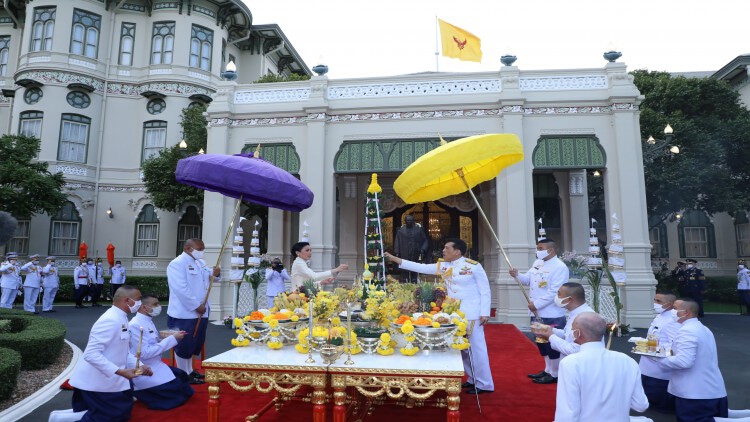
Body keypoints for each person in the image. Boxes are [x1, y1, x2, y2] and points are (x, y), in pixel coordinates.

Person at [384, 238, 494, 394]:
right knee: (460, 348)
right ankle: (472, 378)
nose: (443, 250)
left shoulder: (473, 266)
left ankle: (484, 383)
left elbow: (485, 290)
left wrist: (485, 312)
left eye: (447, 248)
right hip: (453, 313)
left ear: (457, 251)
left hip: (471, 313)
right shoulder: (443, 265)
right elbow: (420, 267)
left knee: (477, 348)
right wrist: (396, 259)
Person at [57, 285, 154, 422]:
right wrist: (120, 372)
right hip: (98, 381)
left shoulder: (122, 317)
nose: (140, 303)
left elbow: (123, 350)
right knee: (107, 417)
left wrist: (141, 365)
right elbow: (91, 354)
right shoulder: (110, 320)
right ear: (127, 300)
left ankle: (59, 418)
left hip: (111, 380)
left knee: (119, 414)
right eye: (138, 299)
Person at [554, 312, 649, 422]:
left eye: (572, 329)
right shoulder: (628, 361)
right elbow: (641, 405)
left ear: (577, 333)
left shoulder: (570, 363)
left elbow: (567, 413)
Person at [648, 298, 728, 422]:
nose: (672, 311)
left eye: (675, 308)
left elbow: (684, 361)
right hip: (708, 389)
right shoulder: (702, 328)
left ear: (687, 313)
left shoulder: (687, 331)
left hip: (695, 393)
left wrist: (657, 359)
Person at [509, 238, 568, 384]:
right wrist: (517, 275)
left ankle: (555, 373)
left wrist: (537, 304)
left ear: (551, 250)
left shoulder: (560, 267)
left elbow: (555, 291)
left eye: (540, 248)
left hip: (551, 313)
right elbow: (527, 280)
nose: (538, 251)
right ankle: (547, 369)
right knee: (541, 342)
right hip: (536, 312)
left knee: (551, 343)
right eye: (537, 248)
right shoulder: (538, 263)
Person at [166, 238, 220, 384]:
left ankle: (190, 371)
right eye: (200, 249)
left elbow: (210, 279)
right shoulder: (177, 264)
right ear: (188, 248)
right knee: (184, 344)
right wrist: (195, 306)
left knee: (194, 343)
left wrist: (215, 273)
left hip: (201, 311)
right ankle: (184, 374)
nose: (202, 251)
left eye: (203, 248)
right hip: (184, 312)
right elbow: (181, 289)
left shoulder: (200, 263)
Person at [128, 294, 194, 410]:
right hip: (146, 368)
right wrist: (172, 339)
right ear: (144, 307)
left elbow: (152, 342)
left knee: (183, 379)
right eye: (155, 304)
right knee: (175, 396)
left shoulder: (148, 321)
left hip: (157, 364)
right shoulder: (135, 325)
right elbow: (144, 353)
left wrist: (166, 337)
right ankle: (136, 392)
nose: (159, 307)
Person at [639, 291, 680, 413]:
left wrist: (654, 350)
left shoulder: (673, 320)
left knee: (661, 408)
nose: (655, 303)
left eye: (659, 301)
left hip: (659, 370)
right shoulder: (659, 316)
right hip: (647, 365)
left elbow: (674, 345)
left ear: (670, 304)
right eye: (654, 300)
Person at [532, 282, 595, 359]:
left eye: (559, 294)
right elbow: (568, 335)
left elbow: (576, 350)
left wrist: (551, 336)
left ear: (569, 299)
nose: (556, 297)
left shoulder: (586, 318)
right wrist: (549, 329)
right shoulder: (575, 313)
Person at [393, 214, 429, 282]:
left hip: (415, 252)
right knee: (404, 269)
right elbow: (397, 241)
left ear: (413, 221)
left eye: (411, 220)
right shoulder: (400, 231)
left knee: (414, 268)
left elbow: (425, 240)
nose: (409, 221)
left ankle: (414, 280)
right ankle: (405, 281)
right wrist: (396, 252)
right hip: (404, 252)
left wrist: (423, 249)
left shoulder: (418, 230)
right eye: (408, 220)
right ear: (405, 221)